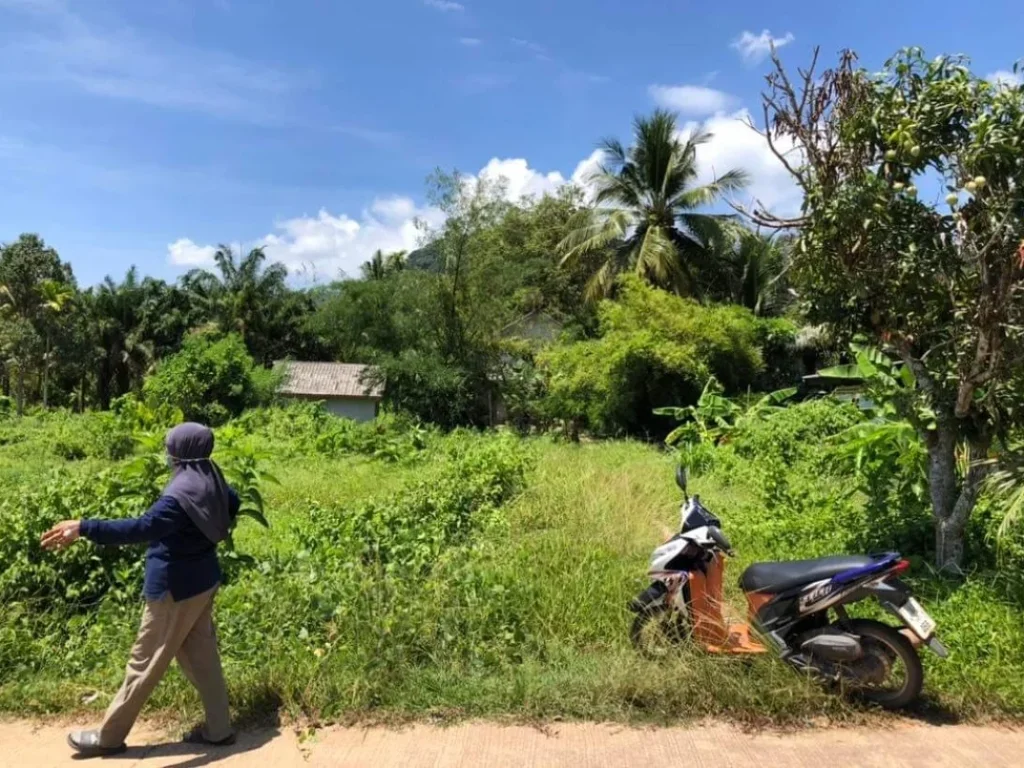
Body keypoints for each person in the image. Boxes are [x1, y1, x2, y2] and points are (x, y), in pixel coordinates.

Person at [41, 422, 240, 758]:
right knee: (203, 659)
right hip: (203, 581)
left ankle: (109, 738)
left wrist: (84, 527)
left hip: (174, 590)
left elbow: (143, 526)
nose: (168, 454)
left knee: (144, 662)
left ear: (180, 452)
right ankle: (219, 731)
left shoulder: (179, 496)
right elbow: (232, 505)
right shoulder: (211, 477)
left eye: (170, 448)